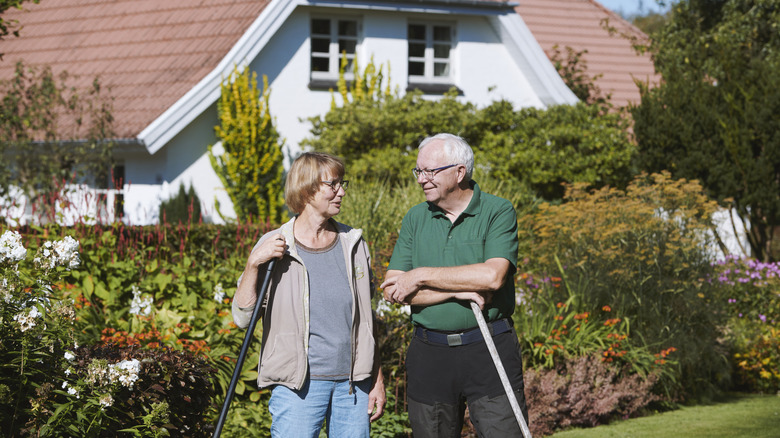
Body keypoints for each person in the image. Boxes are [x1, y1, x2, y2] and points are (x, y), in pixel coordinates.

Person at [381, 133, 528, 437]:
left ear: (459, 172)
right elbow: (392, 289)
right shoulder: (415, 218)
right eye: (418, 171)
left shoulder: (497, 211)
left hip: (488, 347)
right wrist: (459, 289)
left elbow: (492, 277)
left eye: (430, 171)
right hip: (429, 351)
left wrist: (420, 275)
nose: (422, 179)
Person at [232, 152, 385, 437]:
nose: (342, 191)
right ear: (307, 188)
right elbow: (242, 317)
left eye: (343, 183)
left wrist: (376, 378)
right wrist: (253, 263)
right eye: (333, 184)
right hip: (298, 386)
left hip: (353, 387)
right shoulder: (277, 244)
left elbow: (367, 320)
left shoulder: (353, 244)